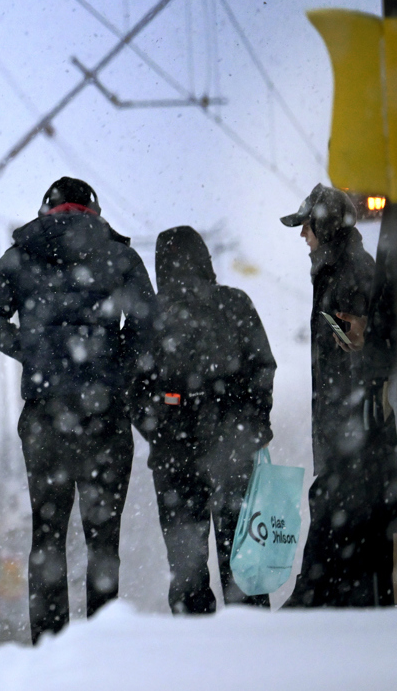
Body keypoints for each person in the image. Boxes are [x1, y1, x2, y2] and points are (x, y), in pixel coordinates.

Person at [0, 177, 156, 643]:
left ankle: (49, 645)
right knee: (103, 538)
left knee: (48, 536)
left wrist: (35, 353)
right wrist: (113, 364)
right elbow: (148, 325)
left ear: (46, 210)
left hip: (45, 417)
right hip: (104, 415)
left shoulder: (21, 254)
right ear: (94, 210)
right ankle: (103, 643)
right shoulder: (120, 257)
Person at [137, 226, 274, 614]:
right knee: (244, 565)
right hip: (234, 452)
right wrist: (252, 427)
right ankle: (252, 638)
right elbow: (262, 367)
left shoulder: (148, 317)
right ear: (205, 260)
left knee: (187, 572)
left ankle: (195, 642)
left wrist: (161, 432)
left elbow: (134, 390)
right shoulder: (234, 303)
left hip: (174, 461)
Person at [280, 184, 397, 607]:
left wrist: (349, 418)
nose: (302, 235)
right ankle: (336, 609)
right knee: (352, 535)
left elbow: (373, 350)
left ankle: (313, 609)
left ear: (325, 227)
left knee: (341, 525)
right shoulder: (337, 270)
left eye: (306, 226)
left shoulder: (350, 272)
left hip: (355, 429)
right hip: (345, 427)